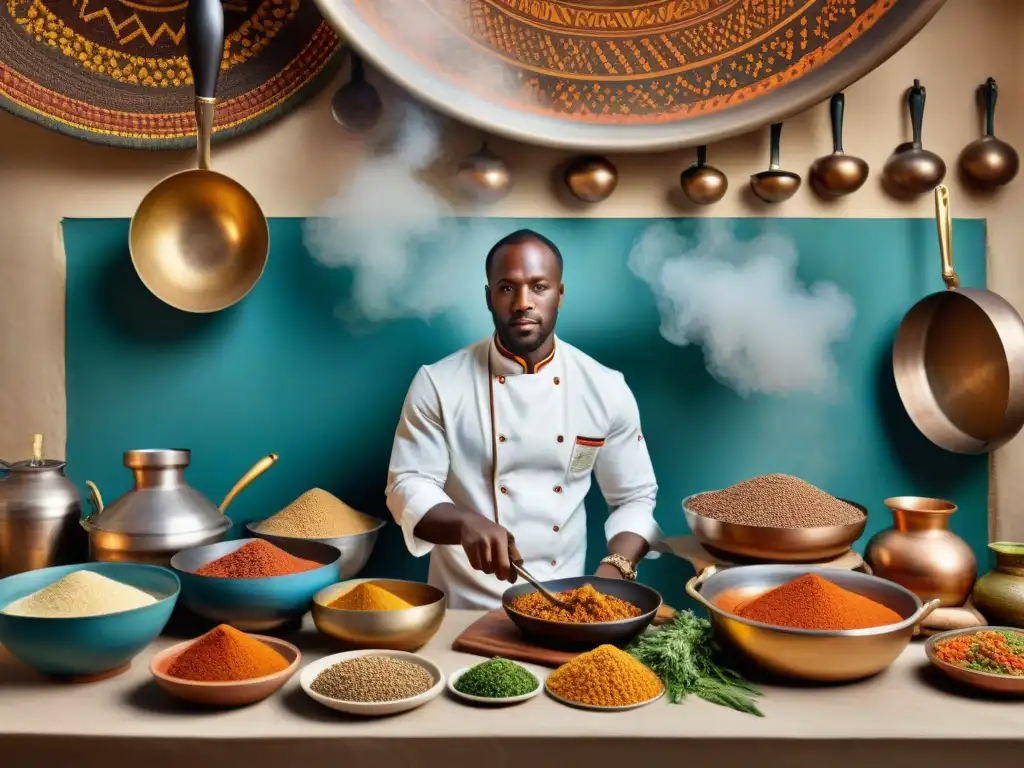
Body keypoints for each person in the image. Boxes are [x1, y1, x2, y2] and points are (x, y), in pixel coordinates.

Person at [385, 229, 662, 609]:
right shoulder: (438, 382)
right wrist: (465, 523)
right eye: (506, 288)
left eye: (539, 287)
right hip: (464, 609)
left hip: (564, 606)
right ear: (488, 297)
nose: (523, 303)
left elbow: (634, 496)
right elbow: (408, 484)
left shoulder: (605, 387)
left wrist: (612, 572)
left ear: (559, 295)